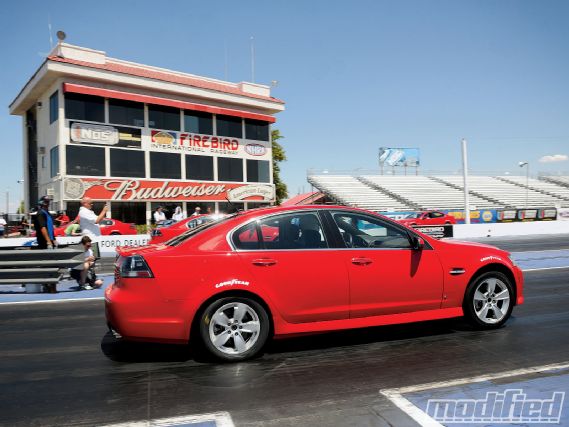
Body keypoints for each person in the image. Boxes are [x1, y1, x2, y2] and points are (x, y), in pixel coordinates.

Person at [32, 196, 57, 293]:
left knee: (52, 264)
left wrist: (53, 239)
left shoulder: (48, 214)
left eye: (49, 201)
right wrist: (48, 241)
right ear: (42, 203)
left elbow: (50, 228)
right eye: (46, 202)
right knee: (47, 265)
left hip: (50, 241)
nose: (48, 203)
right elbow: (43, 228)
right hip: (44, 242)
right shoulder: (40, 214)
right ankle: (46, 285)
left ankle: (50, 285)